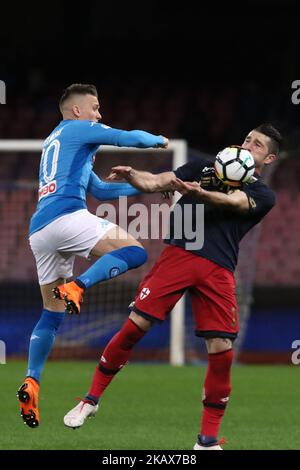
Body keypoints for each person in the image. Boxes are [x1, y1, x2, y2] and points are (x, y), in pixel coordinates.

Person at [63, 123, 282, 450]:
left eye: (257, 145)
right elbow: (161, 181)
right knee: (136, 326)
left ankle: (207, 440)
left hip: (219, 269)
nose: (248, 146)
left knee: (221, 350)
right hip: (179, 255)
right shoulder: (203, 168)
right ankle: (90, 400)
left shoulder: (263, 194)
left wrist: (200, 193)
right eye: (247, 139)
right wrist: (135, 175)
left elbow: (234, 203)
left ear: (268, 159)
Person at [17, 83, 169, 428]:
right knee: (134, 251)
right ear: (77, 110)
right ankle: (79, 285)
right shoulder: (80, 128)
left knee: (50, 315)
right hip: (67, 216)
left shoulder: (58, 140)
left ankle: (32, 380)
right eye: (96, 107)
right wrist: (159, 139)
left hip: (40, 230)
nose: (99, 114)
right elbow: (131, 138)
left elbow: (100, 190)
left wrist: (154, 185)